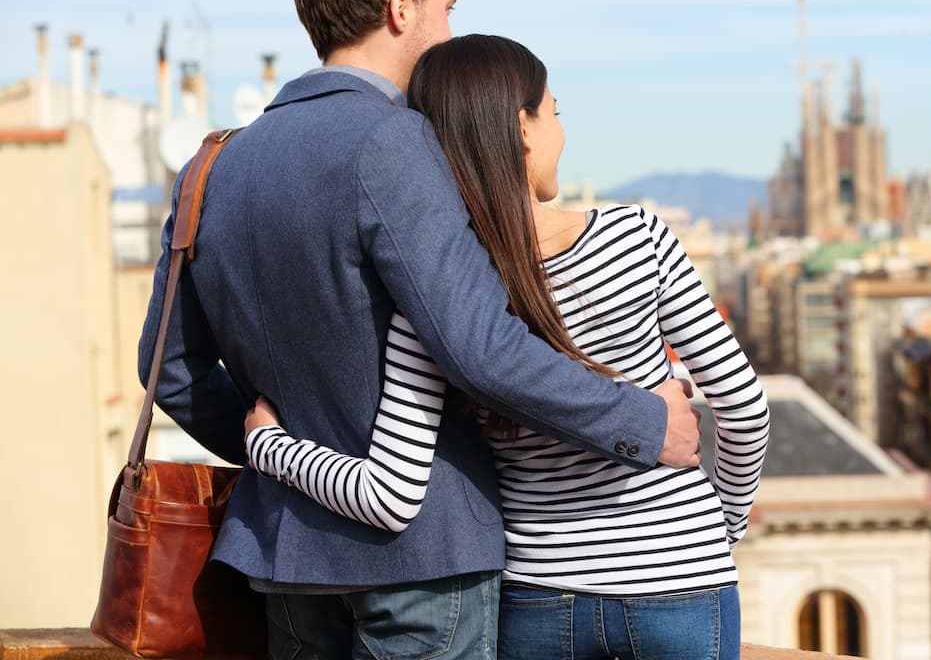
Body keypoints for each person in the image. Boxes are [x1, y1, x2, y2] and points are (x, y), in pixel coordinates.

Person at [138, 0, 701, 660]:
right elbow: (479, 346)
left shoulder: (215, 164)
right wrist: (639, 420)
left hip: (287, 555)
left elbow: (166, 369)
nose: (449, 29)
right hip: (420, 559)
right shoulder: (396, 142)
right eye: (447, 8)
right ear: (400, 9)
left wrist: (277, 447)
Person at [243, 35, 771, 660]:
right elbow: (744, 409)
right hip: (681, 582)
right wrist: (720, 530)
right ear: (524, 128)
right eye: (555, 112)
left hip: (537, 595)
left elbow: (389, 495)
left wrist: (269, 447)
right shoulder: (638, 238)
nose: (562, 133)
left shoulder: (441, 291)